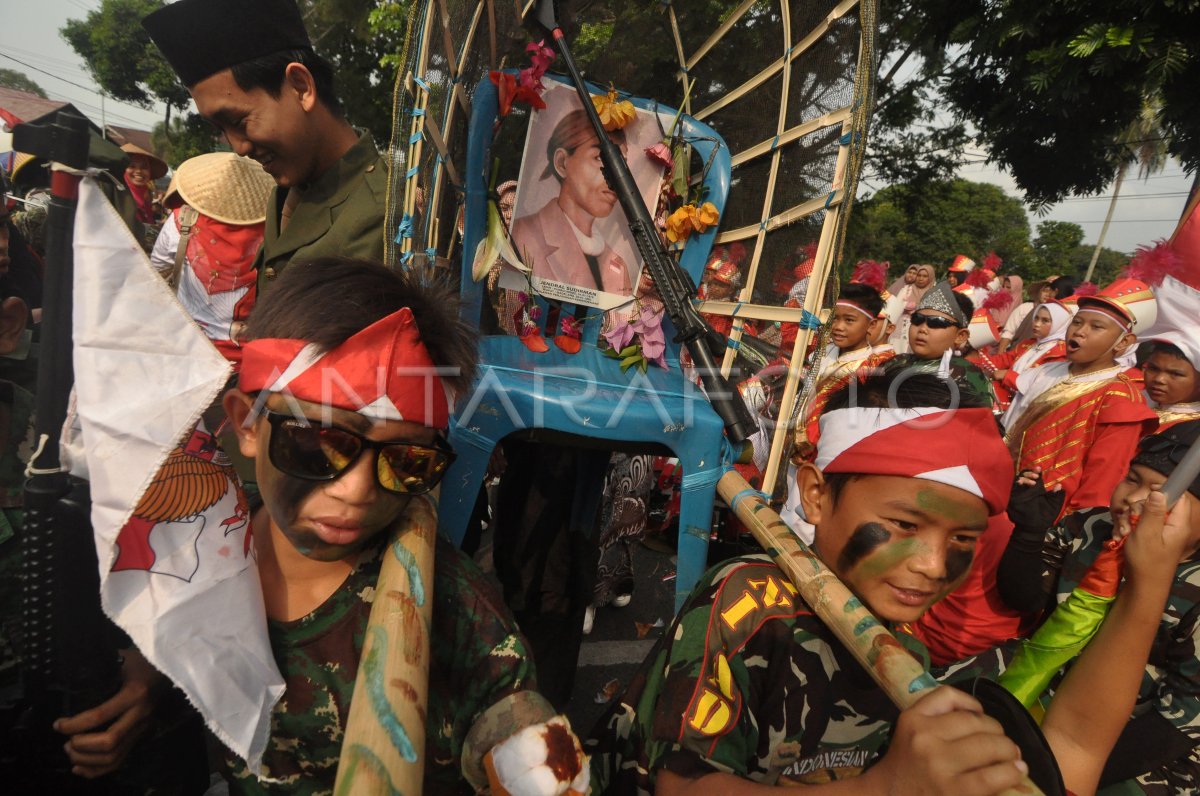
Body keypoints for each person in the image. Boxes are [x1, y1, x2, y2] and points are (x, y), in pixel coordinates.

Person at [217, 258, 584, 792]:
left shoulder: (456, 613)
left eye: (407, 462)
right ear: (246, 423)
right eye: (320, 442)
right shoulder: (197, 537)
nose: (358, 490)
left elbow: (529, 747)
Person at [589, 370, 1038, 794]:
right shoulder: (750, 604)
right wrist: (884, 788)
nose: (935, 565)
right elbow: (681, 785)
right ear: (816, 496)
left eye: (963, 537)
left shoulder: (908, 653)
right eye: (904, 524)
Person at [997, 420, 1200, 792]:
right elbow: (1024, 598)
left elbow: (1181, 718)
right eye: (1132, 479)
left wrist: (1052, 767)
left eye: (1158, 493)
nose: (1132, 499)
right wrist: (1028, 533)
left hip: (1139, 730)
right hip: (1044, 675)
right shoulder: (1090, 527)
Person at [142, 0, 388, 293]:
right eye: (222, 130)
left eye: (239, 121)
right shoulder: (284, 195)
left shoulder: (380, 213)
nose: (239, 148)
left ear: (301, 86)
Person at [1002, 278, 1159, 518]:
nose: (1080, 332)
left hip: (1049, 512)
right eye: (1076, 322)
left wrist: (1075, 522)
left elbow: (1105, 472)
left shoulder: (1119, 396)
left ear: (1123, 343)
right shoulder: (1047, 369)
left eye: (1096, 327)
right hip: (1003, 486)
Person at [149, 152, 276, 363]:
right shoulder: (278, 228)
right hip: (252, 361)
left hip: (187, 351)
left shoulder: (182, 219)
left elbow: (156, 275)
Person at [511, 109, 634, 296]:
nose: (616, 177)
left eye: (621, 164)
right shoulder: (523, 236)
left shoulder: (617, 265)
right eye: (600, 158)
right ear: (561, 163)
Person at [974, 301, 1071, 411]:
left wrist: (1007, 376)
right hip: (1008, 403)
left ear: (1060, 324)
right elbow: (1002, 360)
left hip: (1028, 410)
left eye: (1045, 321)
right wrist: (972, 352)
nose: (1037, 324)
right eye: (1036, 318)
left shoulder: (1061, 354)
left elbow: (1041, 386)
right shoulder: (1028, 344)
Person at [120, 143, 167, 226]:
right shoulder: (119, 196)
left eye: (144, 167)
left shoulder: (146, 197)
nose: (138, 171)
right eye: (132, 166)